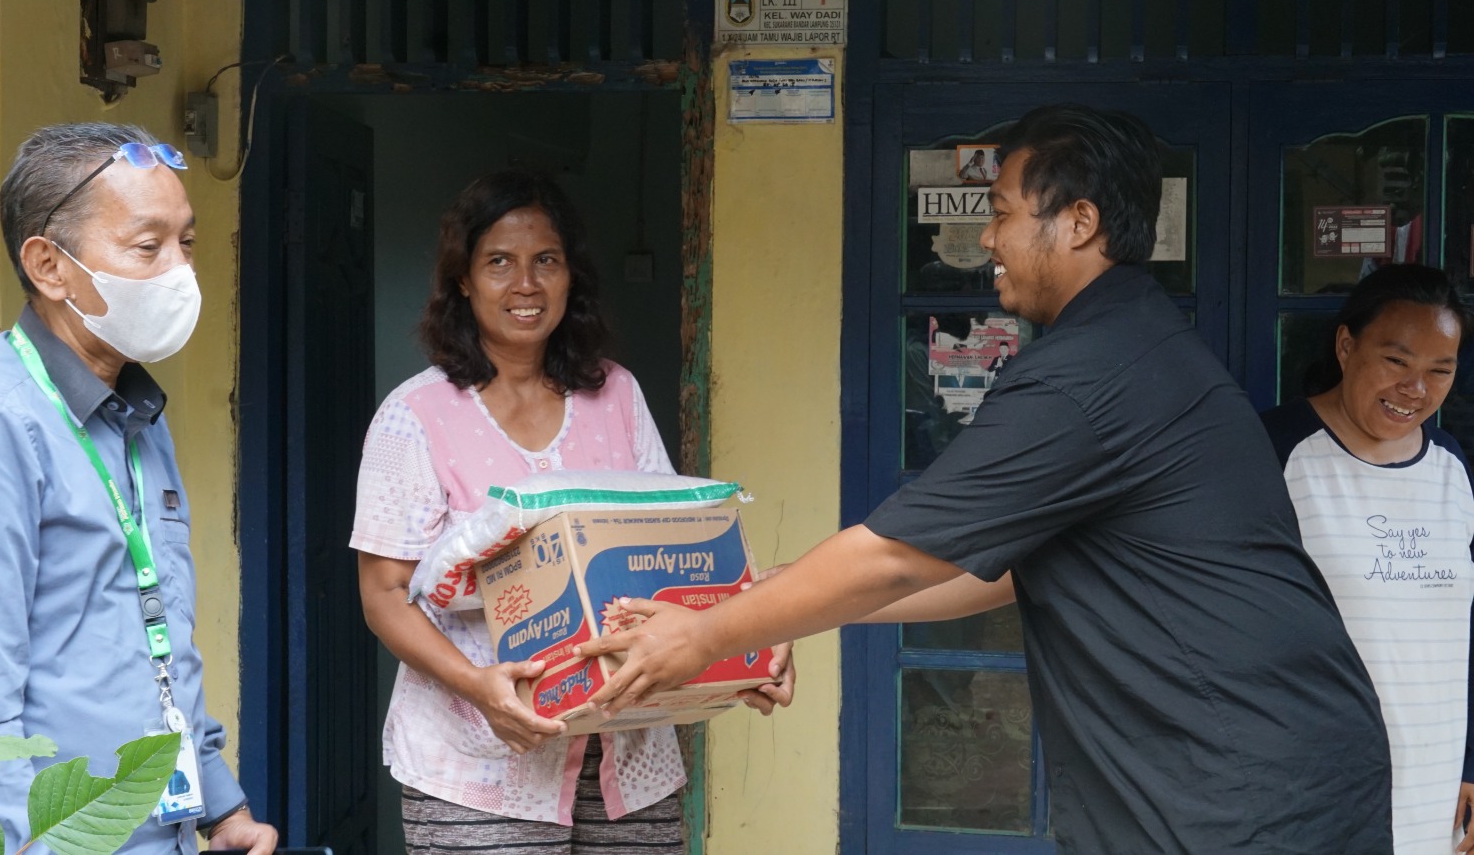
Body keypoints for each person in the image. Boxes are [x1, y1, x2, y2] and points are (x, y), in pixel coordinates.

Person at [577, 103, 1393, 852]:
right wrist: (758, 606)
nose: (988, 240)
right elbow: (990, 570)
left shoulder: (1091, 374)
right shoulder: (1134, 347)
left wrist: (708, 635)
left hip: (1244, 793)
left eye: (1002, 212)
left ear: (1079, 223)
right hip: (1265, 770)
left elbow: (898, 554)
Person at [351, 169, 791, 854]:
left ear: (570, 277)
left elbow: (670, 548)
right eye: (499, 262)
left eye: (545, 261)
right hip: (481, 762)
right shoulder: (415, 416)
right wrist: (479, 687)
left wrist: (738, 652)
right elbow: (383, 596)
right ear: (463, 280)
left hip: (627, 756)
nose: (525, 284)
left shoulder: (614, 394)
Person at [0, 123, 277, 854]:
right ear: (48, 266)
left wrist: (221, 808)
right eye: (147, 246)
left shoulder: (135, 413)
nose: (178, 273)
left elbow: (158, 646)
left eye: (185, 244)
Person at [1262, 264, 1474, 854]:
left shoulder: (1452, 466)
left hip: (1434, 781)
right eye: (1398, 361)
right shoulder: (1274, 450)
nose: (1417, 389)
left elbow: (1467, 629)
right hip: (1309, 784)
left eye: (1440, 370)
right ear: (1347, 345)